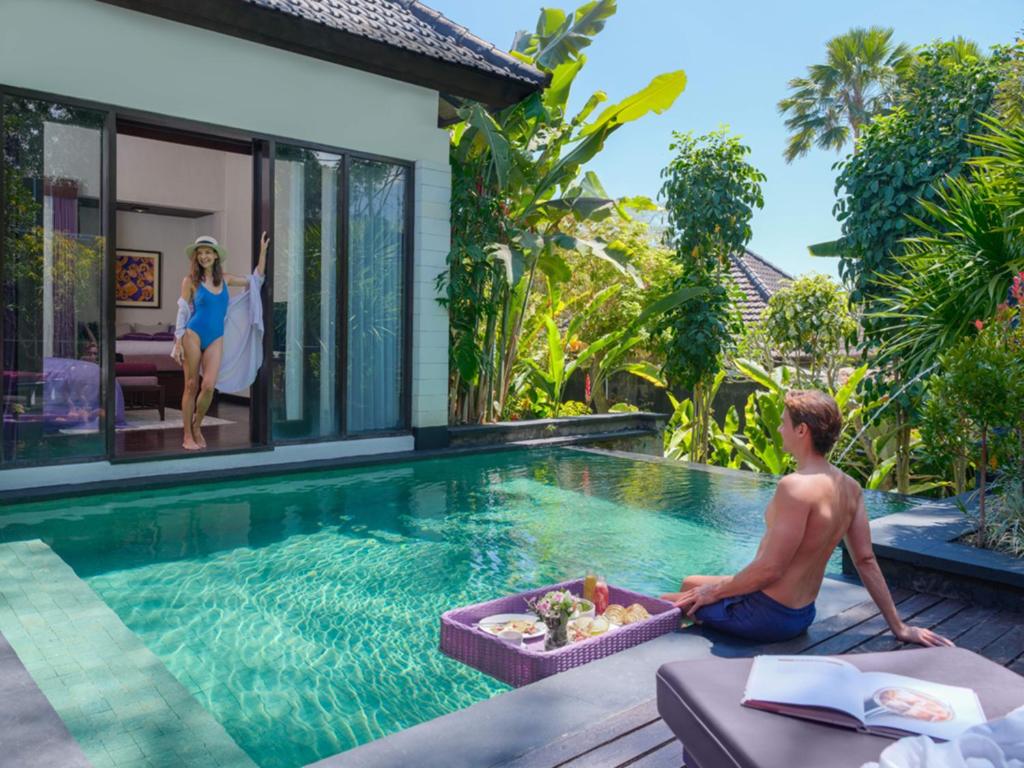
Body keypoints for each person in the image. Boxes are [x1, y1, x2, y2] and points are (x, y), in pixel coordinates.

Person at [661, 389, 954, 647]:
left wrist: (714, 593)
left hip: (764, 616)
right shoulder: (850, 487)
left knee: (659, 604)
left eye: (783, 423)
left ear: (802, 430)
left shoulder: (795, 487)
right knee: (690, 583)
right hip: (801, 614)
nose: (779, 429)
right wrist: (899, 627)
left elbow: (770, 570)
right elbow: (865, 560)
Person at [171, 233, 269, 451]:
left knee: (208, 386)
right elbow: (183, 310)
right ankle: (187, 435)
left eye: (208, 252)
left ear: (216, 256)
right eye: (200, 253)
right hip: (192, 335)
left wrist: (262, 253)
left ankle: (197, 426)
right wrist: (178, 341)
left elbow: (256, 280)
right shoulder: (190, 281)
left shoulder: (226, 279)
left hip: (216, 337)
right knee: (191, 385)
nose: (204, 257)